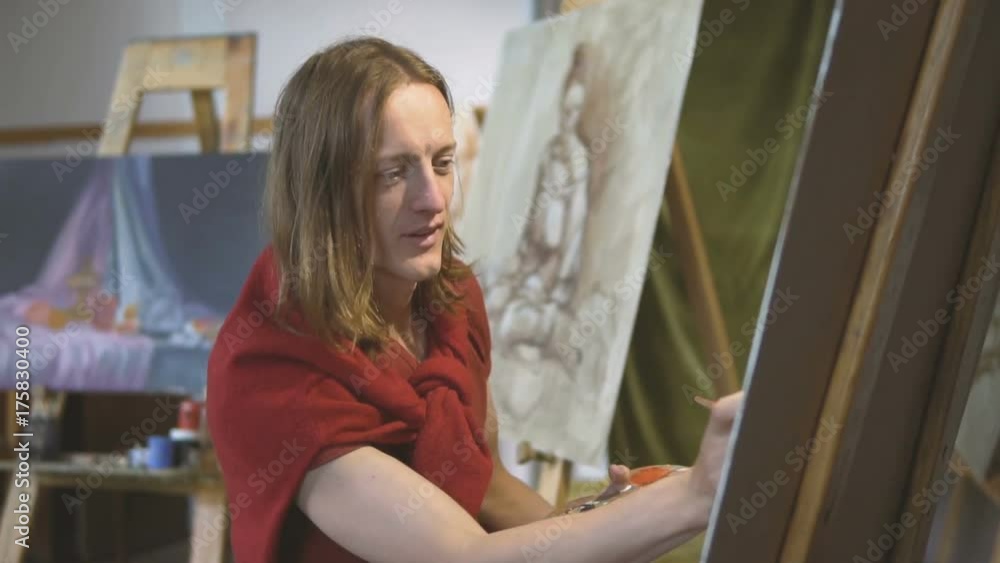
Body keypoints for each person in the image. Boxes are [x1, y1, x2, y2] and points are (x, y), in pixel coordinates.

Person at [207, 37, 743, 563]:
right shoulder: (272, 370)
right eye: (394, 173)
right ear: (322, 191)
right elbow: (460, 555)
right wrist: (693, 496)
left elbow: (486, 488)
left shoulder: (451, 304)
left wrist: (605, 522)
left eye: (442, 163)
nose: (433, 199)